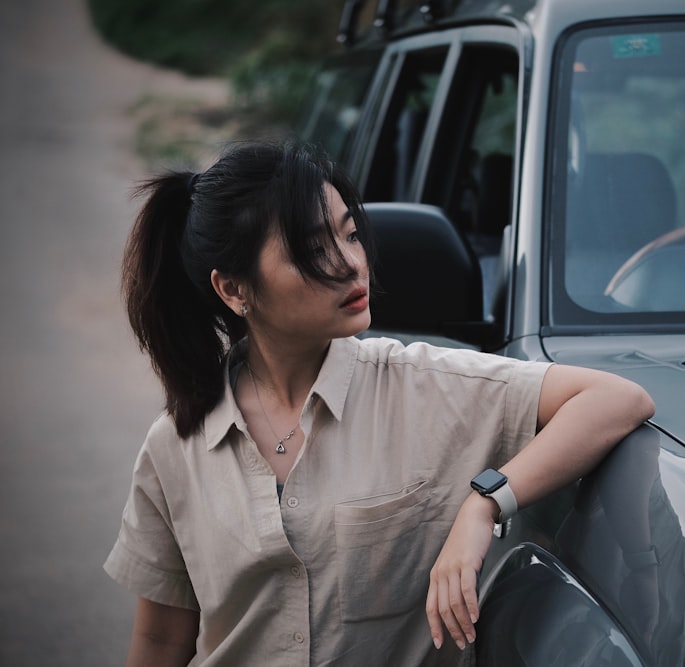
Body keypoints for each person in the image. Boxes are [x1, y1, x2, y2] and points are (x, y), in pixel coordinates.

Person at [105, 141, 655, 666]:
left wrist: (482, 506)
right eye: (314, 250)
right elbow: (159, 638)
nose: (351, 264)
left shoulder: (426, 386)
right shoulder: (175, 446)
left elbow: (615, 398)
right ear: (233, 290)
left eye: (350, 235)